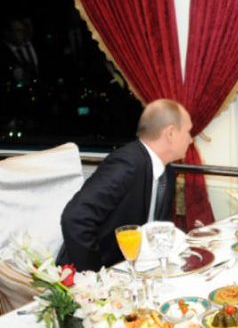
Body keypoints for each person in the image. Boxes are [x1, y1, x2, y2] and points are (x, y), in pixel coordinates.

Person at [58, 99, 193, 271]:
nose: (191, 140)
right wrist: (95, 276)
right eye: (188, 132)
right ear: (171, 133)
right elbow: (75, 218)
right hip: (95, 272)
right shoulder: (126, 165)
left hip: (137, 269)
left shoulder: (167, 173)